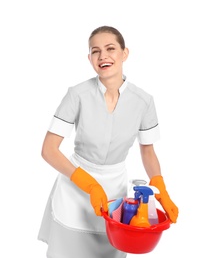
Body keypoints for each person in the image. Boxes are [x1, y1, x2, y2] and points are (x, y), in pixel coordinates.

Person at [38, 26, 179, 258]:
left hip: (115, 194)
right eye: (96, 51)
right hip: (75, 191)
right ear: (89, 58)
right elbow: (48, 150)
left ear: (124, 53)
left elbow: (148, 152)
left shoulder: (143, 101)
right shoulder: (77, 95)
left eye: (110, 48)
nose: (103, 56)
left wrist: (161, 189)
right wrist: (90, 184)